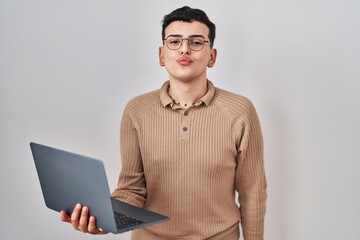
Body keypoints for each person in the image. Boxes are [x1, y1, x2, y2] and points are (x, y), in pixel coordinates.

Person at [60, 6, 267, 240]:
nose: (185, 49)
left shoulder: (240, 110)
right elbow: (132, 189)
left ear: (212, 56)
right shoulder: (136, 110)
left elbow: (253, 192)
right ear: (161, 55)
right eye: (175, 41)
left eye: (197, 42)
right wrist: (104, 220)